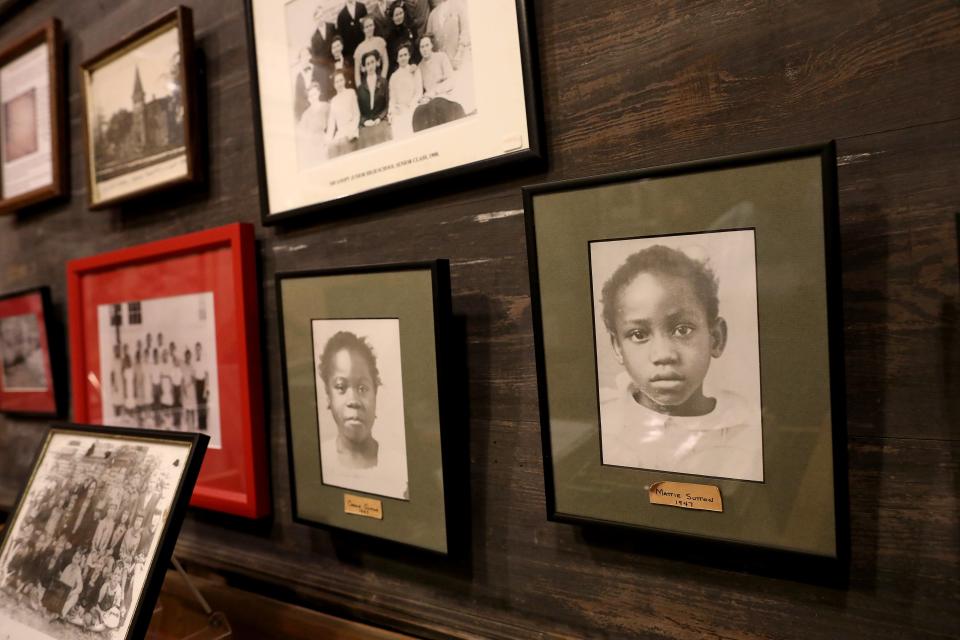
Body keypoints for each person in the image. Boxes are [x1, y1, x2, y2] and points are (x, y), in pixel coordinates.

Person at [597, 245, 762, 480]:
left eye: (682, 330)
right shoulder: (601, 423)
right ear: (617, 348)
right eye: (638, 334)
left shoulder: (748, 430)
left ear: (715, 338)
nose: (663, 354)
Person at [317, 331, 407, 499]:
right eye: (341, 387)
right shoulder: (319, 461)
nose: (353, 400)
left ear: (375, 394)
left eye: (363, 388)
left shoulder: (400, 467)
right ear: (328, 396)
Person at [412, 35, 465, 131]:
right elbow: (418, 92)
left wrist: (435, 91)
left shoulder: (441, 57)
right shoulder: (420, 67)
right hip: (430, 100)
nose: (424, 49)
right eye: (422, 47)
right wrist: (418, 100)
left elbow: (450, 80)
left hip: (446, 94)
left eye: (426, 45)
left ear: (431, 45)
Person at [387, 41, 423, 139]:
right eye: (400, 56)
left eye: (405, 55)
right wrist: (392, 110)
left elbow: (419, 92)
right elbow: (392, 98)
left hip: (413, 106)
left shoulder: (415, 70)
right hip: (399, 110)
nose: (403, 58)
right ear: (397, 59)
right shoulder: (393, 77)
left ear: (409, 56)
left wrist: (411, 105)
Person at [357, 50, 392, 149]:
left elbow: (388, 104)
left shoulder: (384, 82)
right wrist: (364, 122)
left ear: (377, 63)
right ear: (364, 67)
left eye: (372, 62)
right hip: (366, 124)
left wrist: (379, 118)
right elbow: (358, 111)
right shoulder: (360, 88)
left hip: (381, 120)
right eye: (367, 64)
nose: (370, 66)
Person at [325, 71, 360, 158]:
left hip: (351, 130)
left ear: (344, 81)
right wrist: (328, 140)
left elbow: (356, 114)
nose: (339, 84)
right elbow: (331, 123)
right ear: (334, 85)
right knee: (332, 150)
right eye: (336, 82)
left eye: (341, 80)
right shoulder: (334, 101)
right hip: (340, 132)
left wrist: (352, 130)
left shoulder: (351, 93)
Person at [352, 16, 388, 88]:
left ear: (374, 26)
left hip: (379, 78)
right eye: (367, 27)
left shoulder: (380, 41)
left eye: (371, 25)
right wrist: (360, 89)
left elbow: (385, 63)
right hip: (366, 83)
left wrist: (382, 80)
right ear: (363, 29)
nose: (369, 28)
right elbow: (357, 73)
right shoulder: (359, 48)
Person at [385, 0, 420, 74]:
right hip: (398, 69)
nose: (399, 16)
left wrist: (414, 63)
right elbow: (391, 57)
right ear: (392, 18)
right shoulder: (389, 36)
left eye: (401, 13)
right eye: (396, 15)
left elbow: (416, 48)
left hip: (413, 65)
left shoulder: (411, 28)